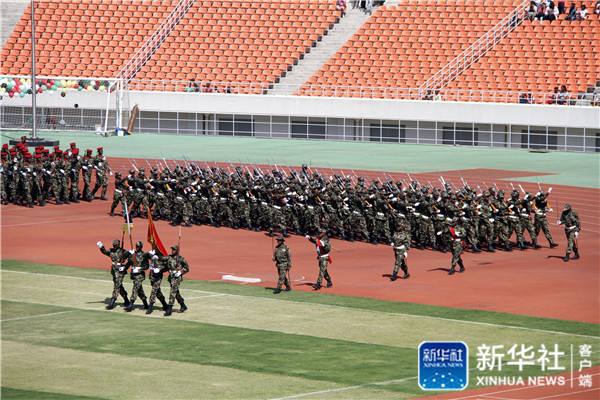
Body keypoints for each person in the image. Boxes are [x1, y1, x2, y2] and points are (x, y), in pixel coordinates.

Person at [97, 239, 131, 310]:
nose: (114, 246)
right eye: (113, 245)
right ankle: (126, 300)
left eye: (115, 245)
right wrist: (101, 247)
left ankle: (112, 302)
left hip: (120, 271)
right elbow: (105, 252)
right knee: (119, 286)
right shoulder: (111, 251)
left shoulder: (123, 251)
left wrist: (125, 266)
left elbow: (131, 259)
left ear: (118, 245)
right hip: (114, 271)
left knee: (117, 286)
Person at [161, 245, 190, 316]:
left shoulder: (181, 259)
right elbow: (162, 259)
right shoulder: (169, 257)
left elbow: (187, 268)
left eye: (174, 250)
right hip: (171, 277)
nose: (172, 251)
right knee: (176, 292)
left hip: (177, 278)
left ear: (177, 251)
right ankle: (183, 305)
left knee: (173, 291)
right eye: (172, 249)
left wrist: (180, 272)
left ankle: (169, 309)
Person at [124, 241, 150, 312]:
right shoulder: (133, 254)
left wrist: (140, 268)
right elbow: (128, 263)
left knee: (135, 288)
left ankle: (131, 304)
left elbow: (147, 266)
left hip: (140, 275)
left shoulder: (144, 255)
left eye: (138, 246)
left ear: (141, 247)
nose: (137, 247)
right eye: (136, 246)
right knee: (139, 290)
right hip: (133, 275)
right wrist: (124, 269)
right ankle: (145, 304)